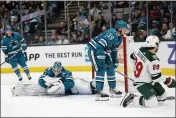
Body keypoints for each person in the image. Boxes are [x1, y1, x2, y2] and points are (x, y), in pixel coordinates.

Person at [120, 35, 176, 108]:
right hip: (141, 83)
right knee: (153, 103)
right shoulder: (153, 59)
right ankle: (134, 98)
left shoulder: (139, 50)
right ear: (156, 44)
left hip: (149, 81)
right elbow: (156, 77)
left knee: (163, 96)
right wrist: (168, 80)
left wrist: (136, 69)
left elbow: (132, 57)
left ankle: (152, 96)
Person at [87, 20, 129, 101]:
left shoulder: (119, 38)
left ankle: (112, 89)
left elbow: (114, 51)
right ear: (119, 29)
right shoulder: (112, 34)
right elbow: (99, 45)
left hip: (103, 51)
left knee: (111, 69)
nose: (126, 30)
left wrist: (114, 61)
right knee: (100, 69)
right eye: (124, 28)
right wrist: (99, 55)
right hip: (94, 50)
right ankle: (99, 92)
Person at [11, 61, 96, 96]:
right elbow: (40, 80)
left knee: (76, 86)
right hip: (49, 88)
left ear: (61, 69)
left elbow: (71, 83)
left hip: (64, 90)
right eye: (54, 70)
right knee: (37, 88)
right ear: (52, 68)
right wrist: (47, 84)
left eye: (58, 70)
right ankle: (18, 90)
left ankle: (92, 87)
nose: (56, 72)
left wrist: (61, 86)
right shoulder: (48, 70)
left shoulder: (67, 72)